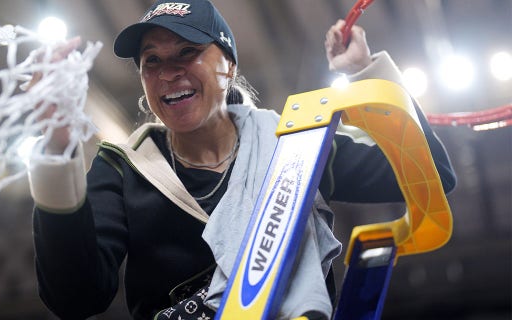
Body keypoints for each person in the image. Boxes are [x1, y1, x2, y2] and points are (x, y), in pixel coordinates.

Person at [27, 0, 456, 319]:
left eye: (186, 52)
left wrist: (366, 73)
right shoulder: (124, 167)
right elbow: (75, 298)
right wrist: (55, 148)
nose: (168, 72)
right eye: (151, 61)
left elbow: (431, 173)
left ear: (228, 65)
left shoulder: (296, 144)